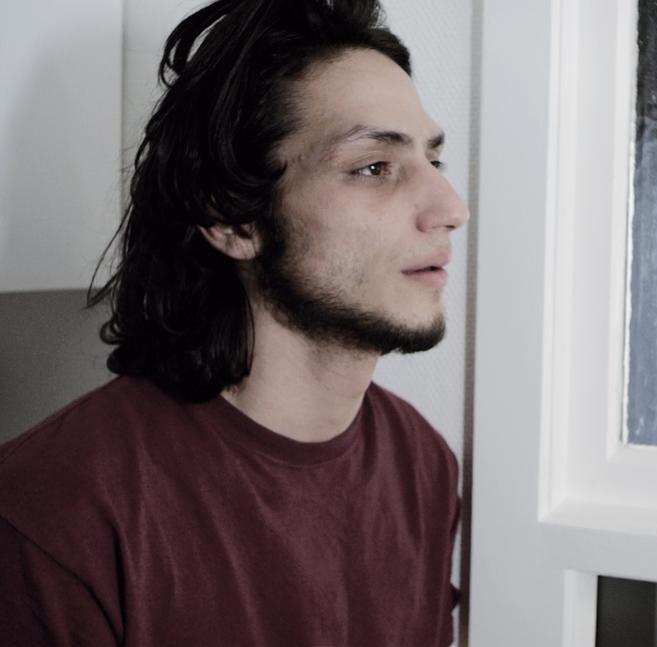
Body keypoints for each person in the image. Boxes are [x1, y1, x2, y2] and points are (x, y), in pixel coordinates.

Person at [0, 0, 468, 643]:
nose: (450, 208)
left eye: (433, 162)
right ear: (231, 219)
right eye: (372, 167)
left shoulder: (423, 465)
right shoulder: (53, 512)